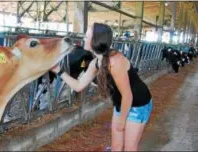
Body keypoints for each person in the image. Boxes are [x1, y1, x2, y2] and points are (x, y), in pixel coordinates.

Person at [50, 23, 153, 151]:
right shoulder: (95, 63)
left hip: (138, 105)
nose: (84, 39)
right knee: (116, 147)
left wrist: (122, 120)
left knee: (129, 148)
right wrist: (58, 70)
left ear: (96, 40)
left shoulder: (115, 61)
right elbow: (78, 86)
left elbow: (127, 95)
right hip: (121, 104)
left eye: (87, 36)